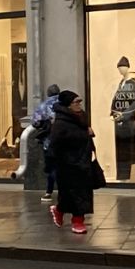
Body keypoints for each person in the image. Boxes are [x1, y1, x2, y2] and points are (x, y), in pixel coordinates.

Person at [49, 90, 95, 235]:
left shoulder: (82, 117)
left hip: (84, 161)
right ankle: (77, 221)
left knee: (82, 192)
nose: (79, 104)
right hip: (68, 164)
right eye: (76, 102)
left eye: (80, 101)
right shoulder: (61, 122)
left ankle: (61, 211)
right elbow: (56, 142)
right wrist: (84, 134)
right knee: (74, 193)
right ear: (68, 105)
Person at [27, 84, 60, 203]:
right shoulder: (65, 103)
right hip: (65, 141)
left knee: (51, 168)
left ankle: (49, 192)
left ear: (48, 93)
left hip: (49, 142)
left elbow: (35, 122)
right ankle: (66, 191)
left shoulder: (43, 106)